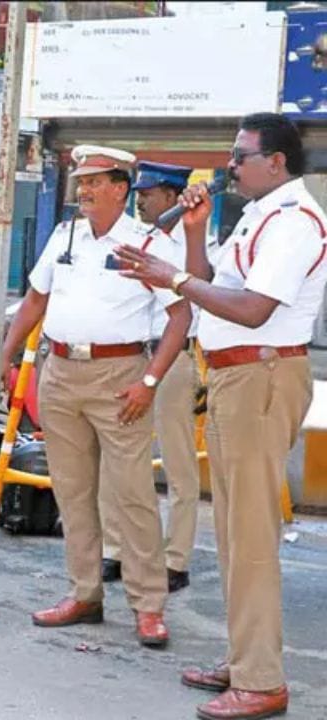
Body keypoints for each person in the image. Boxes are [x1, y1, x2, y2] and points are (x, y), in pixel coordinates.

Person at [116, 112, 326, 720]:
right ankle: (244, 661)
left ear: (276, 162)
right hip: (237, 376)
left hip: (262, 373)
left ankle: (262, 681)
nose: (229, 166)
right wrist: (192, 236)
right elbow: (209, 283)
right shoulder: (259, 217)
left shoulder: (293, 222)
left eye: (240, 155)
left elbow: (254, 308)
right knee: (233, 533)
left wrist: (172, 275)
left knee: (253, 536)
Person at [1, 145, 192, 649]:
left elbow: (180, 317)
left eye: (94, 181)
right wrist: (7, 351)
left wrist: (149, 381)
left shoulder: (148, 241)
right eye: (80, 181)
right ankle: (85, 593)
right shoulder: (66, 235)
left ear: (120, 189)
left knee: (131, 495)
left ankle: (148, 605)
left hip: (120, 374)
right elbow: (36, 298)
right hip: (60, 369)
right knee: (72, 490)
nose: (82, 190)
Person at [100, 161, 200, 593]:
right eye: (138, 193)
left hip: (174, 355)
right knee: (117, 459)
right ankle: (115, 550)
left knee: (178, 462)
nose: (139, 200)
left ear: (173, 196)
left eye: (148, 193)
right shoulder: (131, 238)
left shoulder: (196, 240)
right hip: (134, 354)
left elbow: (205, 294)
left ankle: (176, 558)